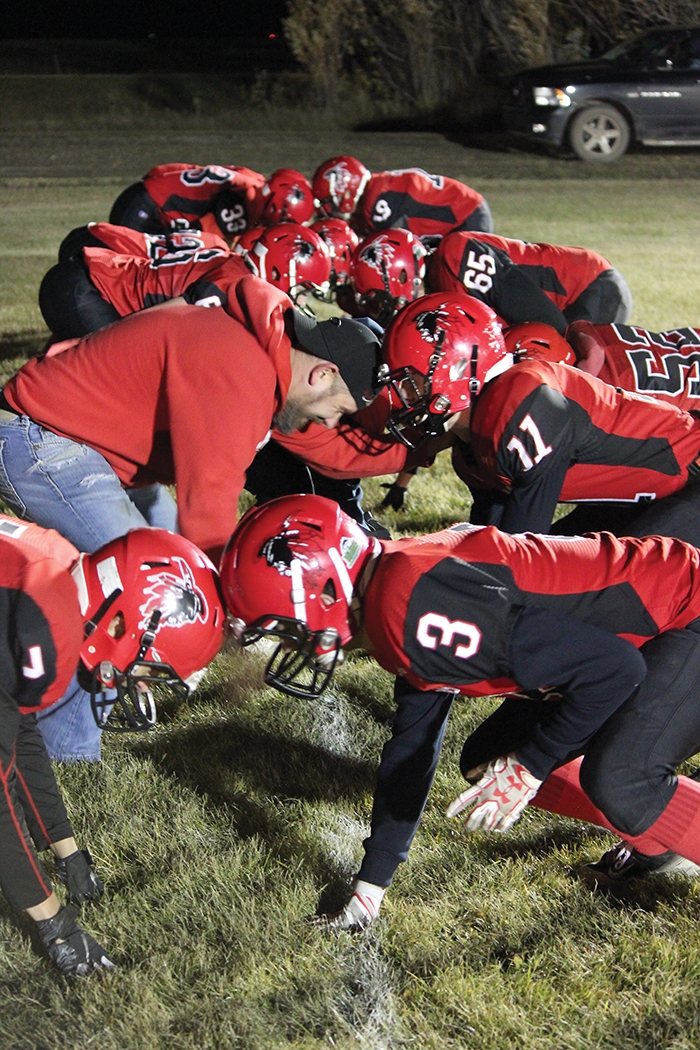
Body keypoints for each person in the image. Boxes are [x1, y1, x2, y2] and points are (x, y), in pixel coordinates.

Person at [220, 493, 700, 928]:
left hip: (684, 615)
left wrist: (532, 766)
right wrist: (370, 890)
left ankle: (652, 813)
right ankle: (657, 839)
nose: (291, 643)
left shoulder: (407, 608)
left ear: (326, 590)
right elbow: (411, 751)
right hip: (650, 624)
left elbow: (616, 671)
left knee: (618, 777)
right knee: (489, 757)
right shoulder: (398, 584)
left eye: (287, 627)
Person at [0, 290, 424, 759]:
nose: (329, 420)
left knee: (155, 562)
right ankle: (64, 747)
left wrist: (428, 448)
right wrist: (238, 607)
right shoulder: (242, 368)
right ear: (322, 372)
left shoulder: (270, 365)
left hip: (81, 442)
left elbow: (333, 456)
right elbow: (207, 507)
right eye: (339, 408)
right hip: (40, 436)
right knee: (139, 584)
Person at [0, 516, 224, 975]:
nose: (136, 686)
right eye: (145, 672)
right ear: (121, 623)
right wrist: (54, 922)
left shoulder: (59, 564)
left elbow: (19, 734)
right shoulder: (43, 622)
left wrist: (68, 852)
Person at [380, 293, 700, 545]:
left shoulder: (516, 402)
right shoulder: (473, 445)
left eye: (410, 383)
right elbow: (489, 545)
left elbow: (523, 554)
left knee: (600, 593)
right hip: (642, 496)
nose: (401, 399)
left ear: (459, 368)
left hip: (690, 471)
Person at [427, 231, 633, 333]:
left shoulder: (454, 255)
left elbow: (530, 306)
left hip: (589, 287)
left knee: (562, 375)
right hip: (567, 298)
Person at [108, 164, 314, 242]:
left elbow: (161, 171)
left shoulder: (252, 179)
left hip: (142, 196)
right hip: (145, 211)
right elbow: (204, 240)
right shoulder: (247, 204)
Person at [312, 156, 494, 238]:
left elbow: (397, 246)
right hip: (468, 210)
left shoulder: (375, 201)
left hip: (465, 217)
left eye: (329, 201)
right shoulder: (377, 187)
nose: (330, 209)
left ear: (345, 188)